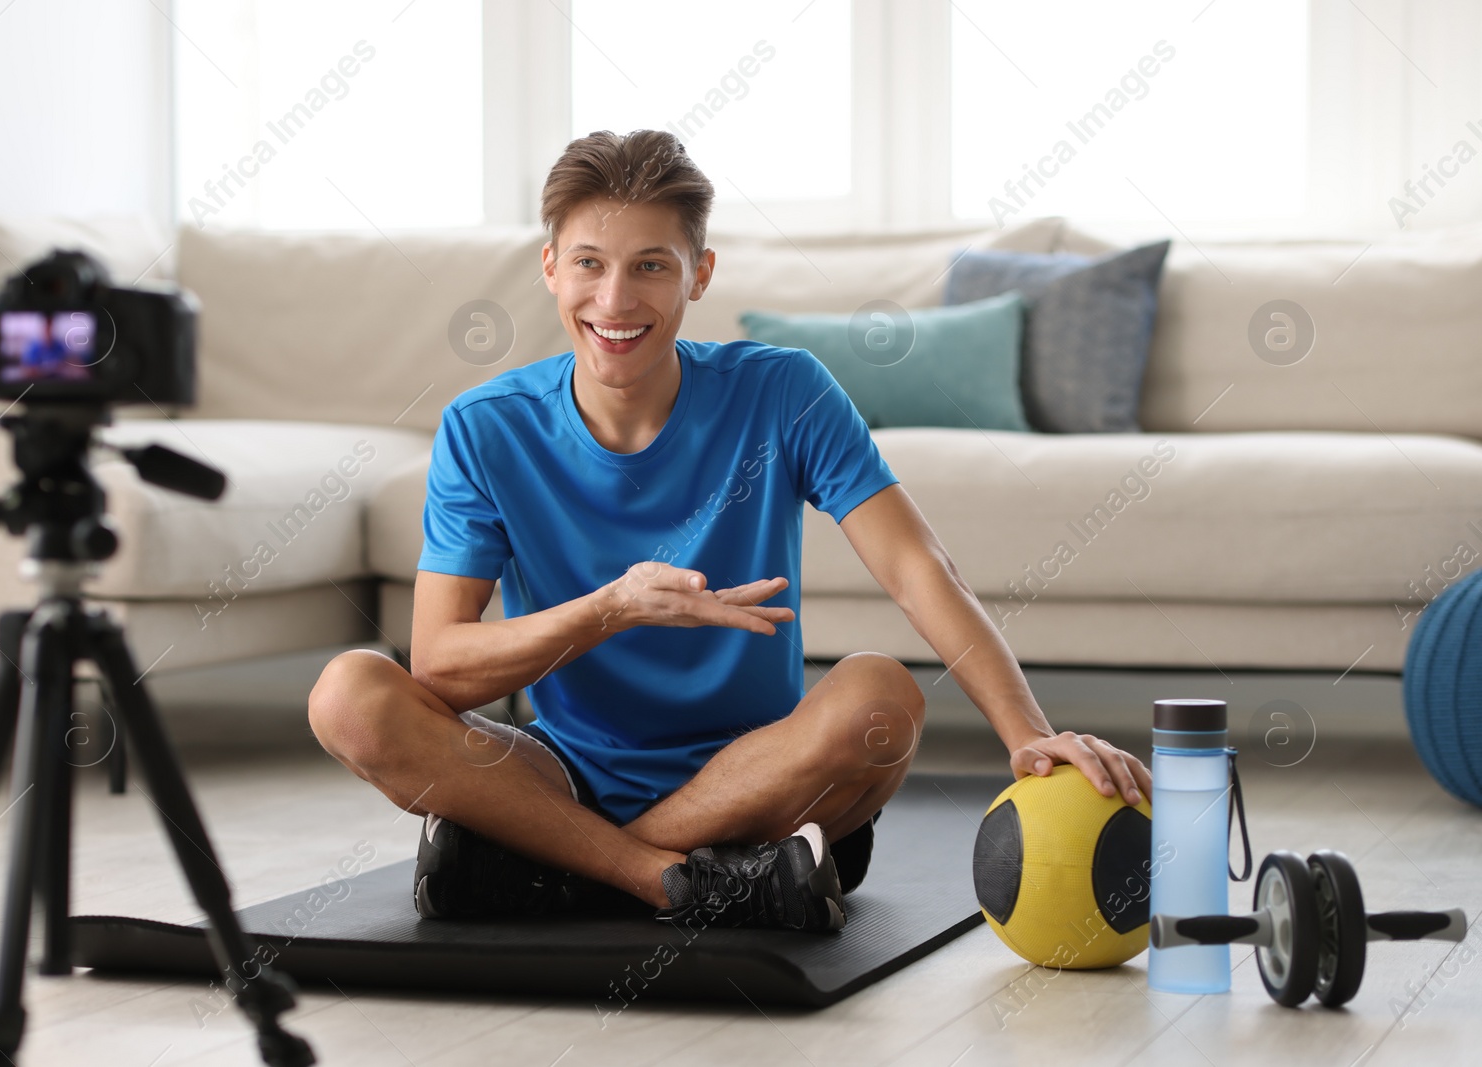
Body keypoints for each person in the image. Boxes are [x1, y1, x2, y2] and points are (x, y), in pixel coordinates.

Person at [307, 129, 1152, 933]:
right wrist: (613, 607)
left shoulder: (783, 390)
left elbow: (918, 569)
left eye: (650, 266)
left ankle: (555, 862)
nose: (615, 299)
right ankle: (672, 877)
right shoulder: (486, 427)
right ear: (550, 269)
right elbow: (441, 666)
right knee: (349, 694)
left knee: (881, 698)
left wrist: (1029, 733)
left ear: (698, 275)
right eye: (589, 265)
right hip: (560, 771)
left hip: (762, 769)